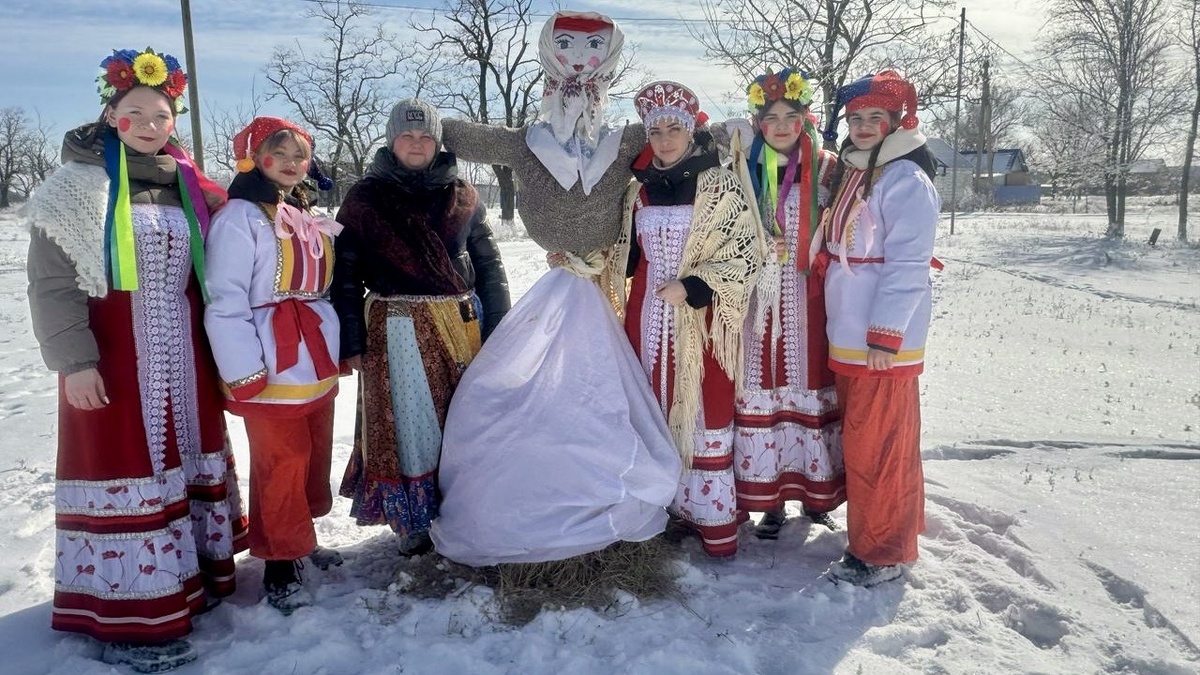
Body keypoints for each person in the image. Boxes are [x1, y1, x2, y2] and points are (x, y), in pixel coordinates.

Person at [429, 11, 683, 567]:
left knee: (596, 388)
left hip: (596, 283)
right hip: (558, 283)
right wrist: (428, 125)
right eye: (567, 48)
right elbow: (472, 138)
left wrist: (749, 126)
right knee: (515, 385)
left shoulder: (624, 143)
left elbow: (685, 131)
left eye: (592, 52)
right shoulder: (528, 143)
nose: (579, 63)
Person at [22, 47, 247, 672]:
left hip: (183, 354)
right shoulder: (76, 187)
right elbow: (51, 282)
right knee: (127, 468)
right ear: (110, 113)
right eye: (136, 111)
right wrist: (75, 360)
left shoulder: (189, 186)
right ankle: (130, 619)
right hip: (116, 360)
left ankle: (188, 583)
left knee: (181, 458)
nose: (151, 123)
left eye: (162, 113)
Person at [331, 98, 511, 556]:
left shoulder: (463, 196)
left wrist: (501, 331)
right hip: (397, 327)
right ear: (392, 141)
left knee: (464, 419)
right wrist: (349, 338)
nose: (416, 143)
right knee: (411, 425)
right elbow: (345, 273)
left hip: (461, 324)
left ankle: (464, 506)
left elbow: (490, 265)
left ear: (437, 143)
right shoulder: (365, 199)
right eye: (407, 135)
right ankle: (414, 518)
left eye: (425, 136)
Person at [606, 81, 766, 558]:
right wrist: (579, 261)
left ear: (692, 131)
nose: (665, 139)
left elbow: (746, 254)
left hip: (704, 320)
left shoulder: (720, 185)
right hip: (648, 320)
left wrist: (694, 287)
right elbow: (625, 254)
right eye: (655, 131)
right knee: (652, 409)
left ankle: (713, 522)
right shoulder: (638, 193)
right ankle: (664, 513)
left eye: (674, 128)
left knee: (704, 411)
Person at [203, 117, 342, 614]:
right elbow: (225, 298)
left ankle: (300, 537)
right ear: (252, 156)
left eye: (299, 156)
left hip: (313, 359)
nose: (290, 163)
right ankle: (279, 561)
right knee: (280, 462)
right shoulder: (239, 217)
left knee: (311, 454)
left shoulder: (300, 210)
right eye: (277, 153)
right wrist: (244, 369)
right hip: (271, 360)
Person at [817, 70, 940, 587]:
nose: (864, 127)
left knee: (878, 445)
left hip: (878, 342)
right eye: (856, 118)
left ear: (896, 122)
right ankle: (885, 532)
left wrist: (885, 335)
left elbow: (909, 264)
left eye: (875, 118)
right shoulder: (858, 172)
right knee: (865, 440)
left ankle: (882, 553)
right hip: (848, 332)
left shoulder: (905, 179)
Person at [733, 69, 845, 539]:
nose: (781, 125)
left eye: (790, 116)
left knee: (809, 384)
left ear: (805, 119)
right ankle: (771, 499)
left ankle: (815, 495)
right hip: (759, 298)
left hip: (809, 298)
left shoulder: (826, 167)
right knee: (766, 385)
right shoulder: (744, 168)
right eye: (771, 117)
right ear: (759, 123)